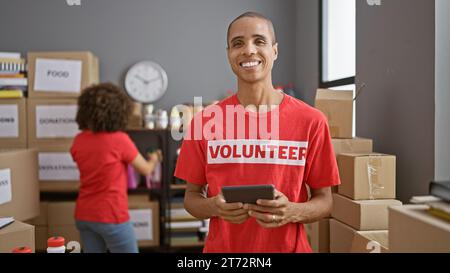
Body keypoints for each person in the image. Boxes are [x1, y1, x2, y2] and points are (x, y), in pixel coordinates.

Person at [174, 12, 340, 253]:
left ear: (275, 50)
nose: (248, 50)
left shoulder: (311, 121)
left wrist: (291, 211)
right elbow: (191, 197)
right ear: (228, 54)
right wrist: (214, 207)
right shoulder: (204, 122)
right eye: (238, 43)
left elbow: (325, 202)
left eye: (259, 41)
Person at [71, 83, 162, 253]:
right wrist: (155, 159)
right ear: (118, 112)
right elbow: (146, 170)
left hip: (84, 214)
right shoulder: (119, 140)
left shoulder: (79, 140)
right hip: (111, 214)